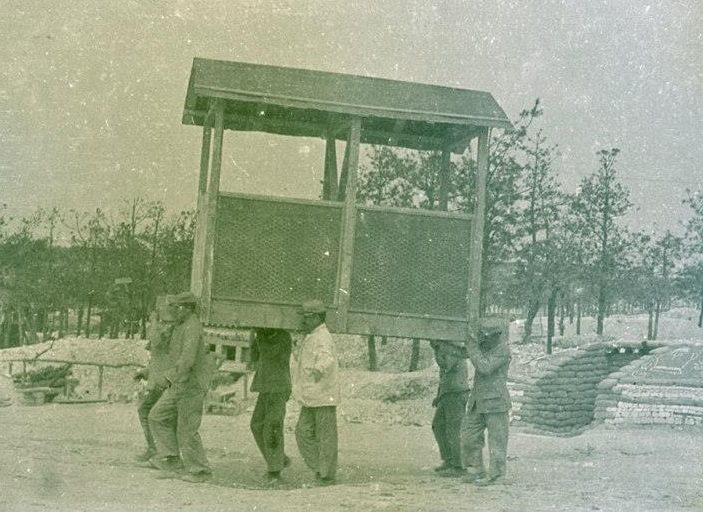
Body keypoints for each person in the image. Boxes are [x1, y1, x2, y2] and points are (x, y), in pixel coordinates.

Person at [148, 291, 215, 483]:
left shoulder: (192, 327)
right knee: (156, 416)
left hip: (191, 385)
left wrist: (167, 378)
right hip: (180, 384)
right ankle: (172, 460)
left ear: (187, 308)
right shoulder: (180, 325)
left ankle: (201, 470)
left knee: (187, 428)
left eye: (177, 307)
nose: (173, 311)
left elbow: (187, 361)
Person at [291, 299, 339, 486]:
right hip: (312, 395)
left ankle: (326, 475)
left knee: (325, 437)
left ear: (318, 317)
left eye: (308, 317)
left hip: (323, 394)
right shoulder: (312, 335)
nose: (304, 320)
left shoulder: (323, 336)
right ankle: (321, 469)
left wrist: (319, 369)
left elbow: (327, 358)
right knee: (302, 433)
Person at [462, 320, 512, 485]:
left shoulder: (502, 350)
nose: (483, 339)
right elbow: (465, 353)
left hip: (496, 402)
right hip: (478, 401)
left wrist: (472, 347)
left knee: (497, 440)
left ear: (496, 336)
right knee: (469, 437)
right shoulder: (484, 348)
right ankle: (475, 469)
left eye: (486, 337)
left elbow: (484, 367)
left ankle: (497, 474)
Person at [133, 296, 176, 462]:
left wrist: (153, 321)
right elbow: (159, 358)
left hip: (164, 382)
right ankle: (157, 449)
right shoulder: (166, 328)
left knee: (153, 414)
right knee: (148, 412)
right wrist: (146, 371)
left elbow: (157, 342)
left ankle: (162, 452)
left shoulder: (169, 329)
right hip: (159, 380)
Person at [249, 327, 293, 485]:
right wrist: (254, 334)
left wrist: (258, 334)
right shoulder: (263, 335)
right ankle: (278, 459)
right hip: (265, 387)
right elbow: (254, 356)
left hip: (278, 387)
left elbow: (269, 353)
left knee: (272, 427)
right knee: (256, 425)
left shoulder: (282, 336)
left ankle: (275, 472)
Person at [430, 340, 471, 478]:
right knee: (438, 426)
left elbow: (446, 365)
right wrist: (438, 396)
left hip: (455, 394)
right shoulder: (446, 349)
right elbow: (444, 376)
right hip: (447, 394)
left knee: (453, 430)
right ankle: (449, 459)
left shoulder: (452, 350)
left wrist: (437, 350)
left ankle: (458, 466)